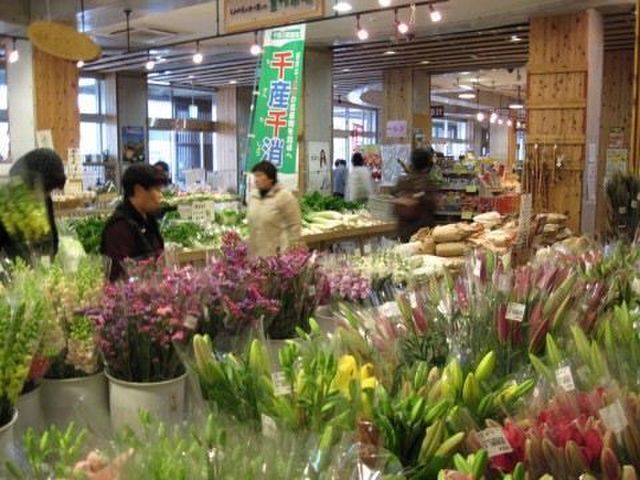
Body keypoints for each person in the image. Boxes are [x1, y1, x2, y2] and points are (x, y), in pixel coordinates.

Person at [101, 164, 168, 282]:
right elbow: (120, 276)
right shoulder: (119, 228)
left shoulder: (148, 219)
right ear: (139, 190)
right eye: (157, 190)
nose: (160, 195)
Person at [0, 148, 67, 260]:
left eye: (49, 192)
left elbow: (52, 243)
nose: (45, 196)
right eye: (45, 190)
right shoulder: (6, 203)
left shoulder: (44, 200)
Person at [247, 161, 302, 257]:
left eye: (260, 176)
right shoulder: (253, 197)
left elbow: (294, 226)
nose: (256, 180)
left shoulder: (284, 197)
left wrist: (289, 255)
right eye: (255, 176)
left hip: (276, 257)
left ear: (271, 178)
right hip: (256, 256)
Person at [392, 148, 438, 242]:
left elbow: (393, 197)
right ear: (427, 165)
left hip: (404, 229)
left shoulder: (402, 180)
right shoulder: (427, 182)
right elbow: (433, 206)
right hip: (423, 231)